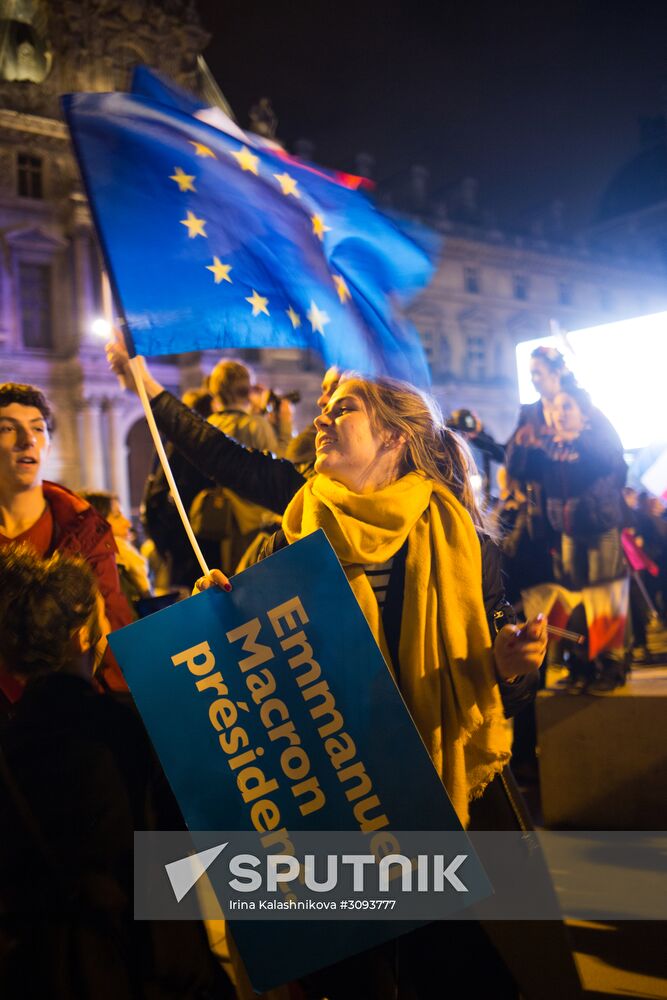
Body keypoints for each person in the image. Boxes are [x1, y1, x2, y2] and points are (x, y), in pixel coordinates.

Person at [194, 375, 581, 999]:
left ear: (394, 438)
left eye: (342, 409)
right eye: (323, 409)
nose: (321, 419)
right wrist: (216, 616)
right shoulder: (287, 540)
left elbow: (500, 700)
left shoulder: (460, 539)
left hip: (440, 803)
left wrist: (511, 665)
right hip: (335, 804)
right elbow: (254, 681)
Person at [0, 545, 234, 999]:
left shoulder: (10, 744)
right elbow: (173, 857)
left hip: (44, 972)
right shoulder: (121, 729)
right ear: (81, 637)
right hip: (138, 964)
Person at [0, 382, 132, 701]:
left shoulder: (85, 529)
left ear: (47, 444)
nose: (27, 440)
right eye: (8, 428)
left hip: (75, 705)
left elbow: (114, 629)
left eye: (38, 428)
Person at [508, 384, 628, 691]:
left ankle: (611, 666)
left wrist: (577, 439)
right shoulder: (549, 446)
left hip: (600, 528)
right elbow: (518, 470)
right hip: (568, 533)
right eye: (555, 408)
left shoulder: (596, 437)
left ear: (583, 414)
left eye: (567, 407)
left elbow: (612, 461)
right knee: (574, 599)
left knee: (604, 596)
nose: (559, 413)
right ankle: (581, 663)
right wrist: (520, 445)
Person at [80, 490, 153, 608]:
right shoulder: (109, 570)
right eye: (117, 516)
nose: (128, 523)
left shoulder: (126, 563)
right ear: (97, 525)